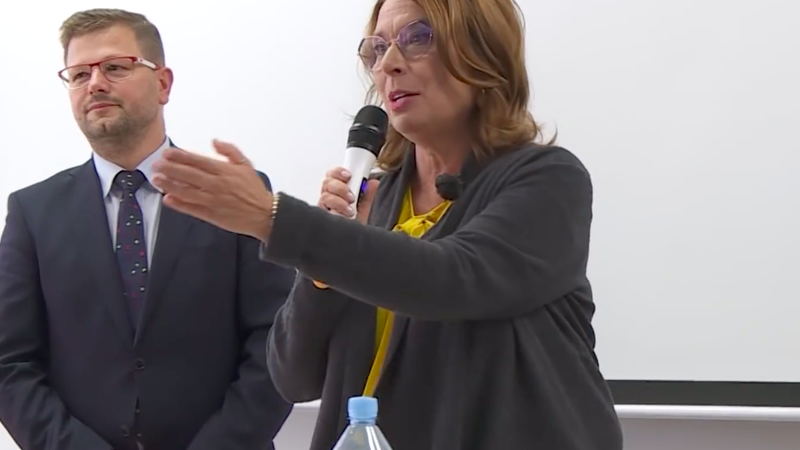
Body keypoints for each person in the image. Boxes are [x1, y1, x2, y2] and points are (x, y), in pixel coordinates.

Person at [150, 0, 624, 448]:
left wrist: (274, 220)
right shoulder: (374, 201)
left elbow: (453, 278)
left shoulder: (548, 180)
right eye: (377, 48)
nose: (389, 64)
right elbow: (294, 376)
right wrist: (319, 274)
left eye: (418, 38)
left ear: (482, 51)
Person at [0, 8, 295, 450]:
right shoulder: (33, 212)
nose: (94, 83)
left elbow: (275, 342)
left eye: (115, 67)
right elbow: (10, 362)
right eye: (79, 75)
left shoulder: (236, 193)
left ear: (163, 84)